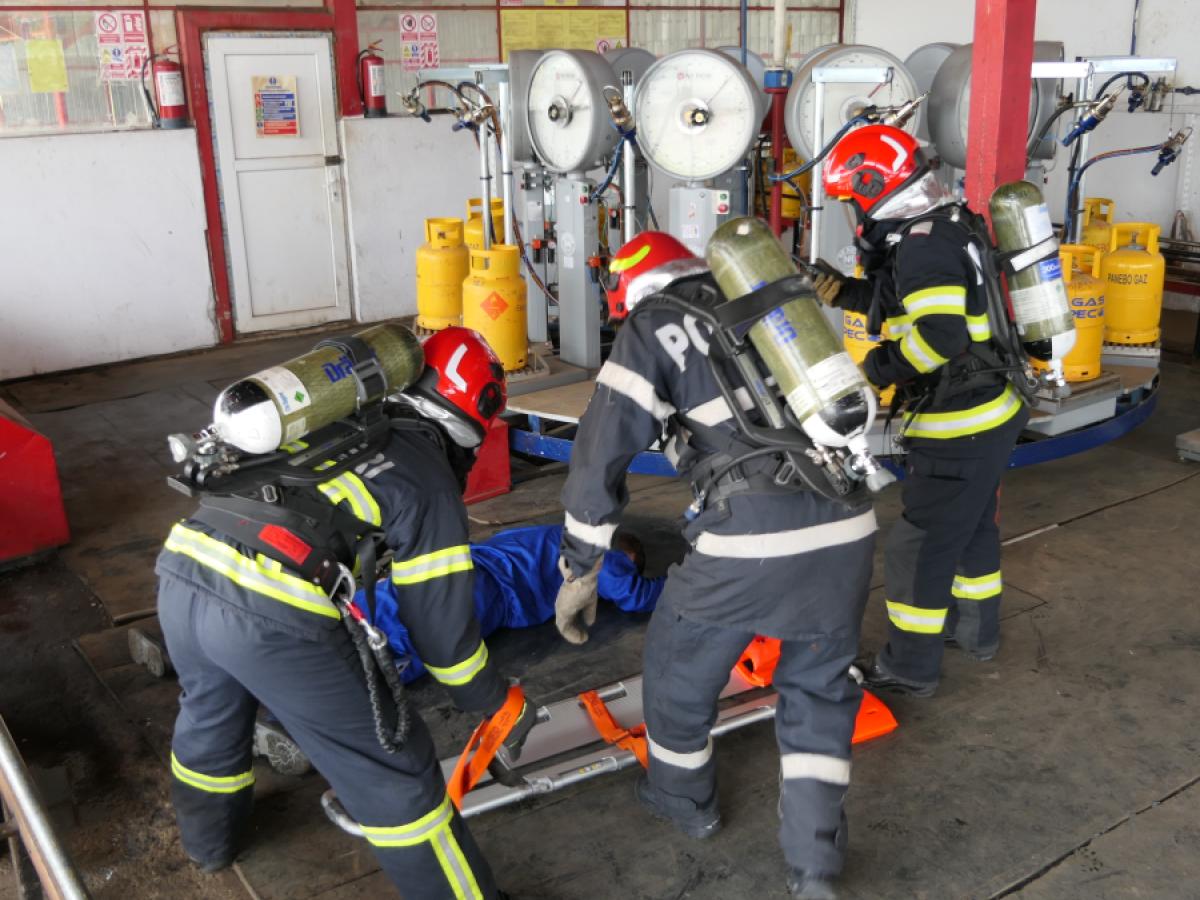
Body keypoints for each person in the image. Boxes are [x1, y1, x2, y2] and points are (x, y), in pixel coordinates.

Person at [155, 327, 534, 900]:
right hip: (270, 613)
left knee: (210, 716)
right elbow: (442, 636)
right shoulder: (426, 475)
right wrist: (492, 698)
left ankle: (208, 845)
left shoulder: (335, 423)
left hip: (184, 566)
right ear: (476, 410)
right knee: (397, 776)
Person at [554, 232, 877, 900]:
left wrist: (581, 568)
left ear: (632, 292)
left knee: (678, 672)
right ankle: (815, 864)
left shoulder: (653, 324)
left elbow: (599, 452)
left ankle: (683, 799)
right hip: (848, 521)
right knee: (819, 691)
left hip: (748, 540)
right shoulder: (771, 305)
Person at [813, 124, 1031, 698]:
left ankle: (909, 666)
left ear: (874, 188)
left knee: (920, 545)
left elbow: (939, 336)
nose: (854, 212)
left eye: (852, 198)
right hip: (991, 409)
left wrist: (873, 369)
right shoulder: (944, 224)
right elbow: (910, 302)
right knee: (972, 527)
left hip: (959, 421)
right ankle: (976, 632)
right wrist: (844, 292)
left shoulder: (921, 244)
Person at [370, 526, 663, 680]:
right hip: (491, 586)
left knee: (381, 612)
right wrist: (683, 583)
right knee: (420, 639)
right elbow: (633, 594)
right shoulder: (597, 550)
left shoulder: (555, 535)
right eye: (629, 567)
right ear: (624, 555)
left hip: (468, 574)